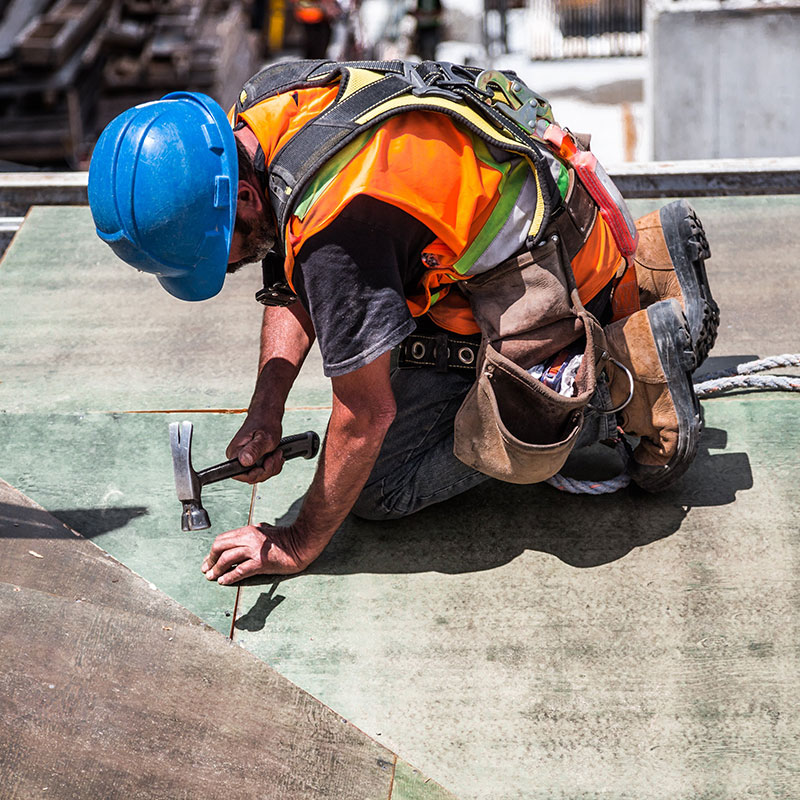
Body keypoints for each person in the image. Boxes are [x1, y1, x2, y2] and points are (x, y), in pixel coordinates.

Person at [87, 60, 718, 584]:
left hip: (550, 283)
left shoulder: (340, 229)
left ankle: (623, 375)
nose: (223, 271)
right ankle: (651, 263)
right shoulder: (267, 106)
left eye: (216, 253)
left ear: (244, 197)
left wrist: (298, 541)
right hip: (560, 219)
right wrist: (266, 409)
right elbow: (288, 271)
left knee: (381, 487)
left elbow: (365, 415)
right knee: (371, 348)